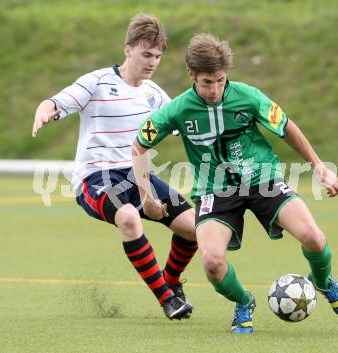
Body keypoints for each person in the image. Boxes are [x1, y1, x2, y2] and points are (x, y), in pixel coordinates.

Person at [132, 33, 338, 333]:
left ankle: (325, 282)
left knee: (314, 237)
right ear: (192, 76)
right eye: (207, 82)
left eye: (220, 80)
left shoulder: (249, 96)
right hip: (215, 191)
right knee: (212, 263)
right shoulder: (177, 110)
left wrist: (318, 166)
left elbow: (286, 126)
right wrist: (145, 195)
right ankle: (243, 302)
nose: (214, 90)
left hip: (262, 180)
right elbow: (138, 146)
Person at [31, 14, 197, 320]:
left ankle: (172, 282)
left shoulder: (155, 95)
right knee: (130, 217)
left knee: (195, 229)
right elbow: (54, 102)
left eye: (158, 56)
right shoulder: (96, 82)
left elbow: (188, 126)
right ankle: (167, 299)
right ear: (128, 49)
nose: (152, 62)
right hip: (96, 178)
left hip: (138, 174)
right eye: (146, 54)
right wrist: (45, 113)